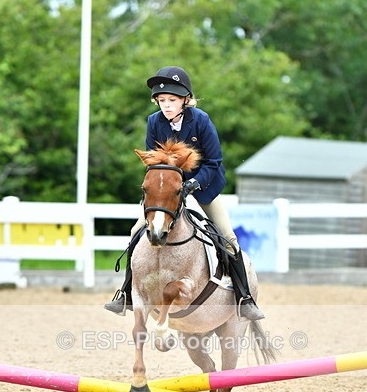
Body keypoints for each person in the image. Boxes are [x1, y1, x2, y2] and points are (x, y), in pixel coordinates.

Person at [104, 65, 264, 321]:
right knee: (136, 233)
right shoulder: (153, 122)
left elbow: (214, 161)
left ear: (185, 100)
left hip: (203, 189)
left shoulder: (201, 120)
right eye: (162, 100)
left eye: (172, 101)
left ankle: (245, 298)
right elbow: (154, 163)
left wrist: (193, 184)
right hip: (166, 193)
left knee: (228, 239)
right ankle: (125, 294)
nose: (166, 106)